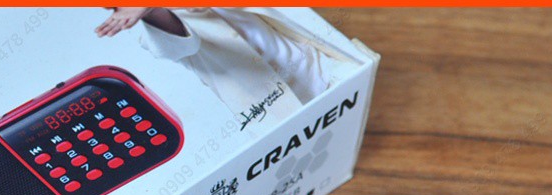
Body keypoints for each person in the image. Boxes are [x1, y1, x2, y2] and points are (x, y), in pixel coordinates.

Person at [95, 7, 360, 123]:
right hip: (279, 107)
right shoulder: (152, 31)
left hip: (323, 68)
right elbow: (184, 43)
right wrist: (152, 10)